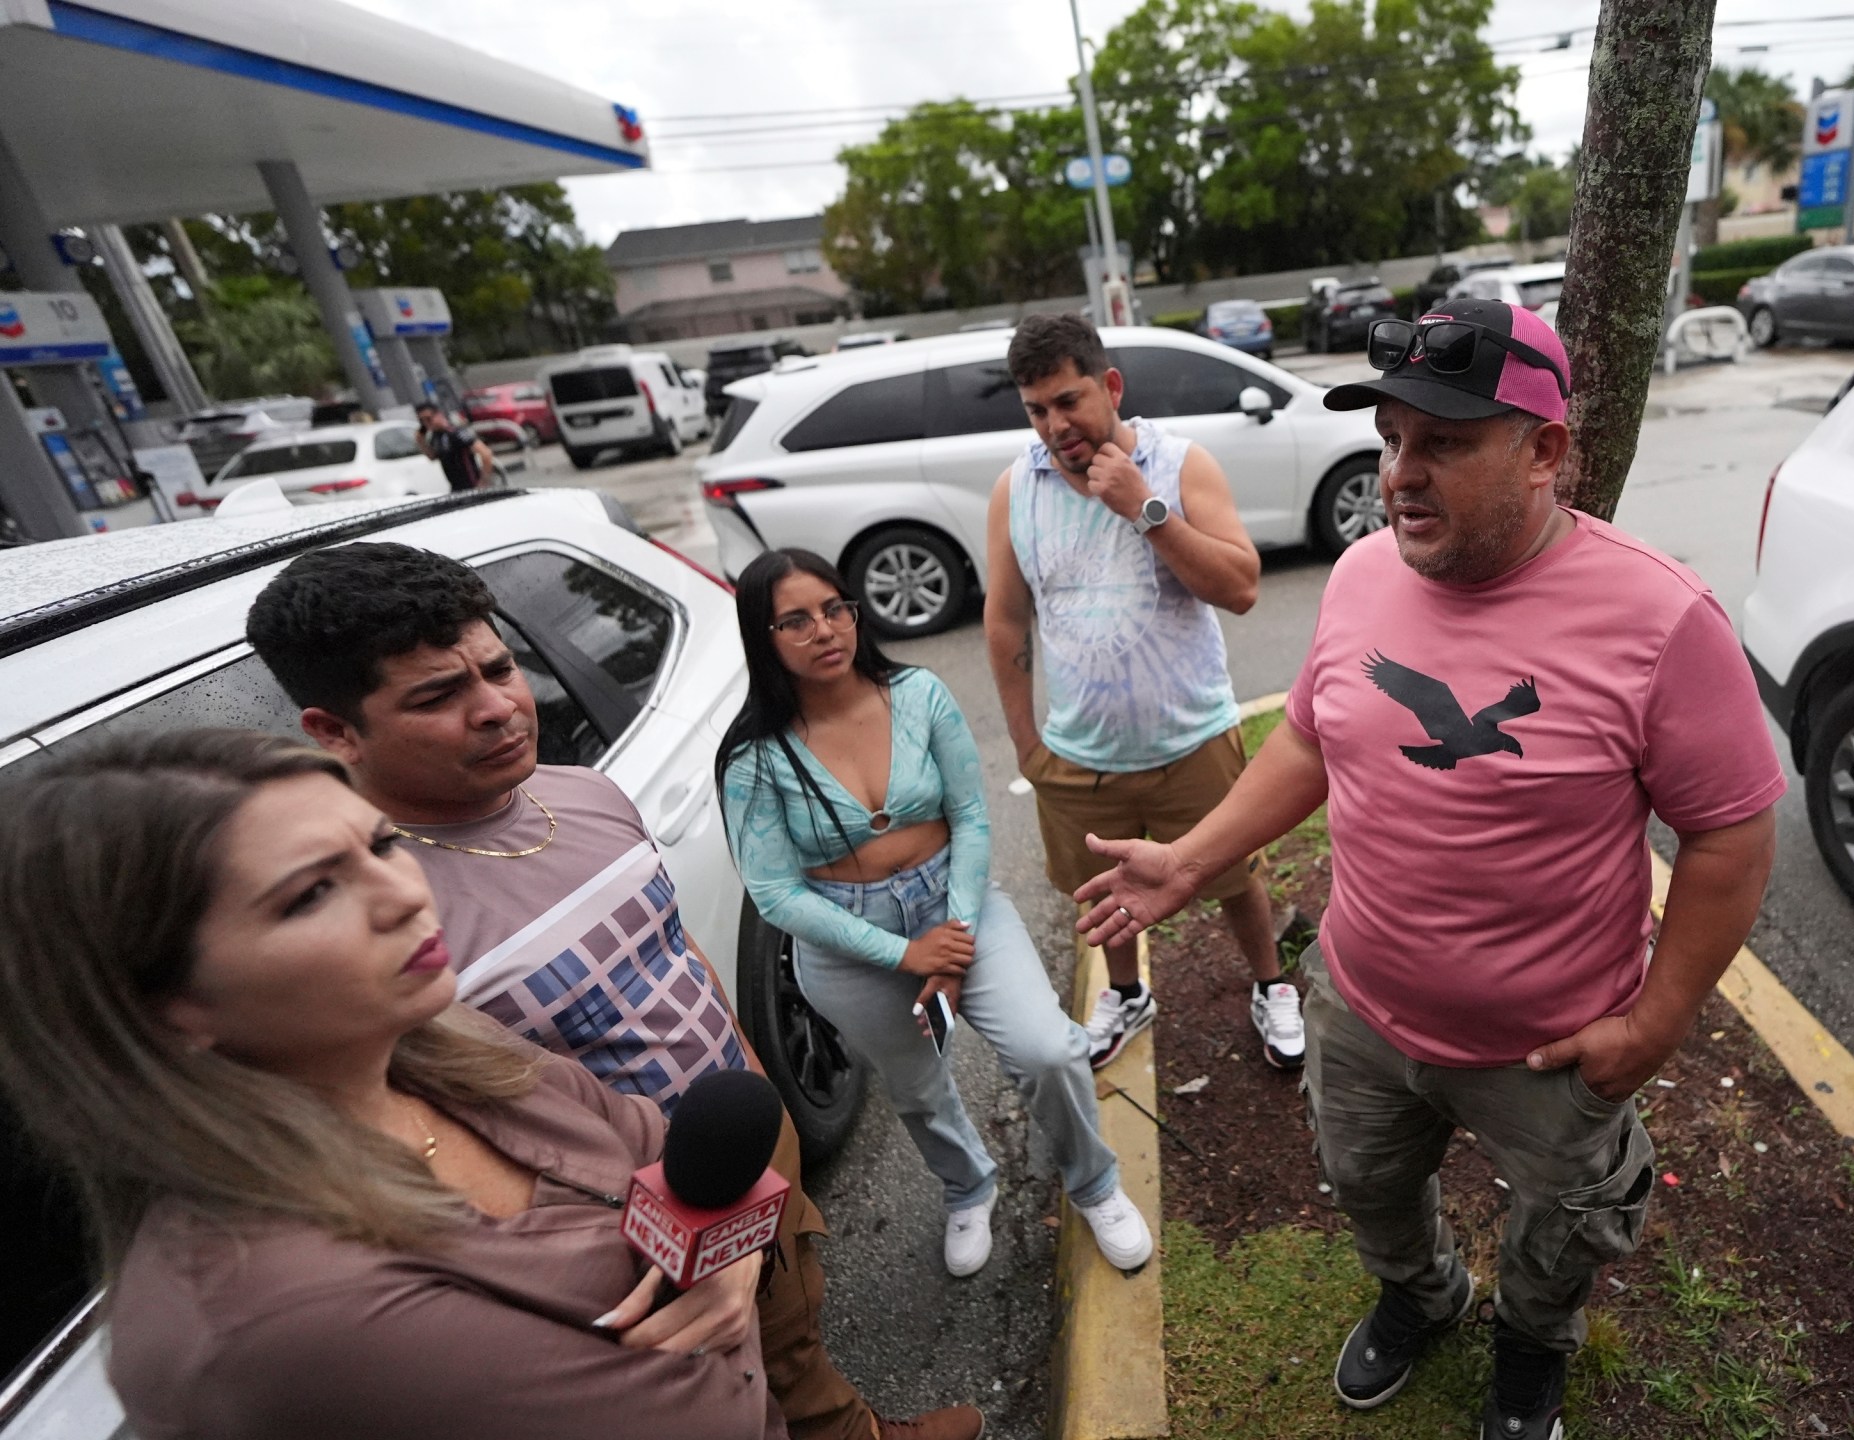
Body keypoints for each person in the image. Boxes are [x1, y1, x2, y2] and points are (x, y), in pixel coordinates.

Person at [1074, 299, 1783, 1439]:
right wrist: (1193, 858)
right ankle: (1422, 1296)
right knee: (1368, 1187)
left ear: (1544, 451)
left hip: (1548, 1045)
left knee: (1564, 1228)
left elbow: (1732, 832)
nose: (1402, 473)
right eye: (1392, 437)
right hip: (1361, 1008)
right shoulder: (1359, 576)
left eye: (1443, 444)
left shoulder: (1661, 619)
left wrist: (1656, 1021)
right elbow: (1310, 736)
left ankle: (1531, 1348)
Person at [243, 544, 979, 1440]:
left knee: (791, 1327)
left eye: (500, 668)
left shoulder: (584, 793)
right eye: (437, 697)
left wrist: (755, 1085)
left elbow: (676, 953)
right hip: (627, 1226)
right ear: (333, 731)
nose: (499, 709)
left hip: (742, 1138)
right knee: (724, 1386)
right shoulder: (379, 911)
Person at [0, 729, 778, 1439]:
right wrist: (726, 1289)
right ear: (163, 1009)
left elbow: (650, 1138)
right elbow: (694, 1416)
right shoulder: (289, 1315)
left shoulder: (437, 1040)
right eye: (311, 892)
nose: (408, 894)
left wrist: (720, 1247)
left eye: (381, 843)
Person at [718, 548, 1153, 1278]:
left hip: (955, 900)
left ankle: (1096, 1183)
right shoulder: (755, 758)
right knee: (916, 1086)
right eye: (795, 621)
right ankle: (967, 1185)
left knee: (1049, 1049)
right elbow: (776, 894)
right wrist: (904, 957)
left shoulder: (918, 695)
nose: (824, 631)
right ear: (764, 639)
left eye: (834, 609)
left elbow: (973, 818)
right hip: (846, 941)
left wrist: (949, 939)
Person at [981, 313, 1302, 1072]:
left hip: (1190, 737)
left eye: (1069, 401)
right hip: (1080, 755)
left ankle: (1271, 982)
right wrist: (1027, 742)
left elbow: (1243, 588)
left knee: (1235, 878)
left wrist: (1145, 508)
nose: (1055, 426)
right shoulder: (1015, 489)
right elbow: (1005, 619)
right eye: (1036, 409)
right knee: (1102, 893)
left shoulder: (1180, 464)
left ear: (1110, 387)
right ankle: (1126, 994)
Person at [417, 401, 496, 491]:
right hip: (455, 487)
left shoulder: (455, 432)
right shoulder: (436, 436)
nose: (427, 424)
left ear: (439, 415)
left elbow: (486, 453)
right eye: (422, 421)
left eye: (429, 419)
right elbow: (432, 457)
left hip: (471, 485)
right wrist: (421, 442)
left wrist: (484, 482)